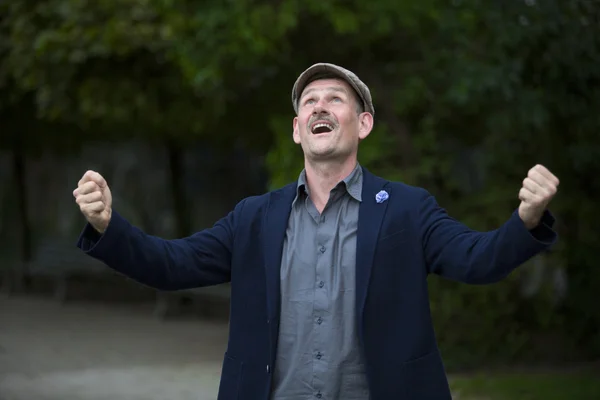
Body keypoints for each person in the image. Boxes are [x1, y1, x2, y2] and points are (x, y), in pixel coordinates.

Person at [73, 63, 559, 400]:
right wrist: (107, 225)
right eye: (310, 101)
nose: (320, 107)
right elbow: (170, 265)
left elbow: (476, 260)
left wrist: (526, 221)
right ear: (297, 127)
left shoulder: (408, 209)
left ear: (363, 123)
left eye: (335, 99)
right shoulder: (254, 216)